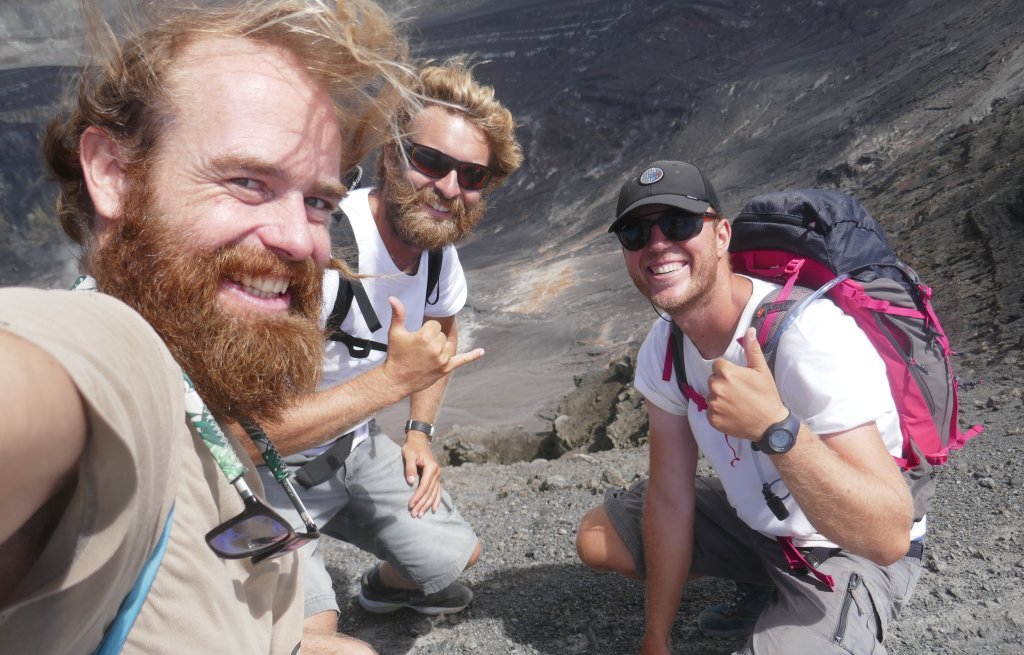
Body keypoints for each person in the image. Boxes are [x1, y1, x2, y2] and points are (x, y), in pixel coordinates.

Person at [0, 1, 412, 653]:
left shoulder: (199, 390)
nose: (299, 240)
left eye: (318, 202)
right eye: (247, 181)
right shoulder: (119, 348)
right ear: (114, 174)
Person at [575, 160, 922, 654]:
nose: (656, 244)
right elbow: (670, 498)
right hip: (758, 523)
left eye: (679, 223)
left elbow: (887, 536)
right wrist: (656, 639)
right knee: (599, 538)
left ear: (721, 236)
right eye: (635, 232)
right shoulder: (665, 345)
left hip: (845, 545)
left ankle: (805, 599)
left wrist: (775, 429)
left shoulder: (807, 336)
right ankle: (764, 580)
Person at [244, 58, 522, 646]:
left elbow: (442, 333)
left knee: (456, 558)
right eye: (431, 162)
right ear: (391, 156)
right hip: (263, 476)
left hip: (350, 449)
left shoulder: (439, 257)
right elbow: (247, 432)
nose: (450, 188)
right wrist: (389, 383)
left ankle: (387, 586)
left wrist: (418, 429)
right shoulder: (316, 249)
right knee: (318, 633)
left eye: (473, 176)